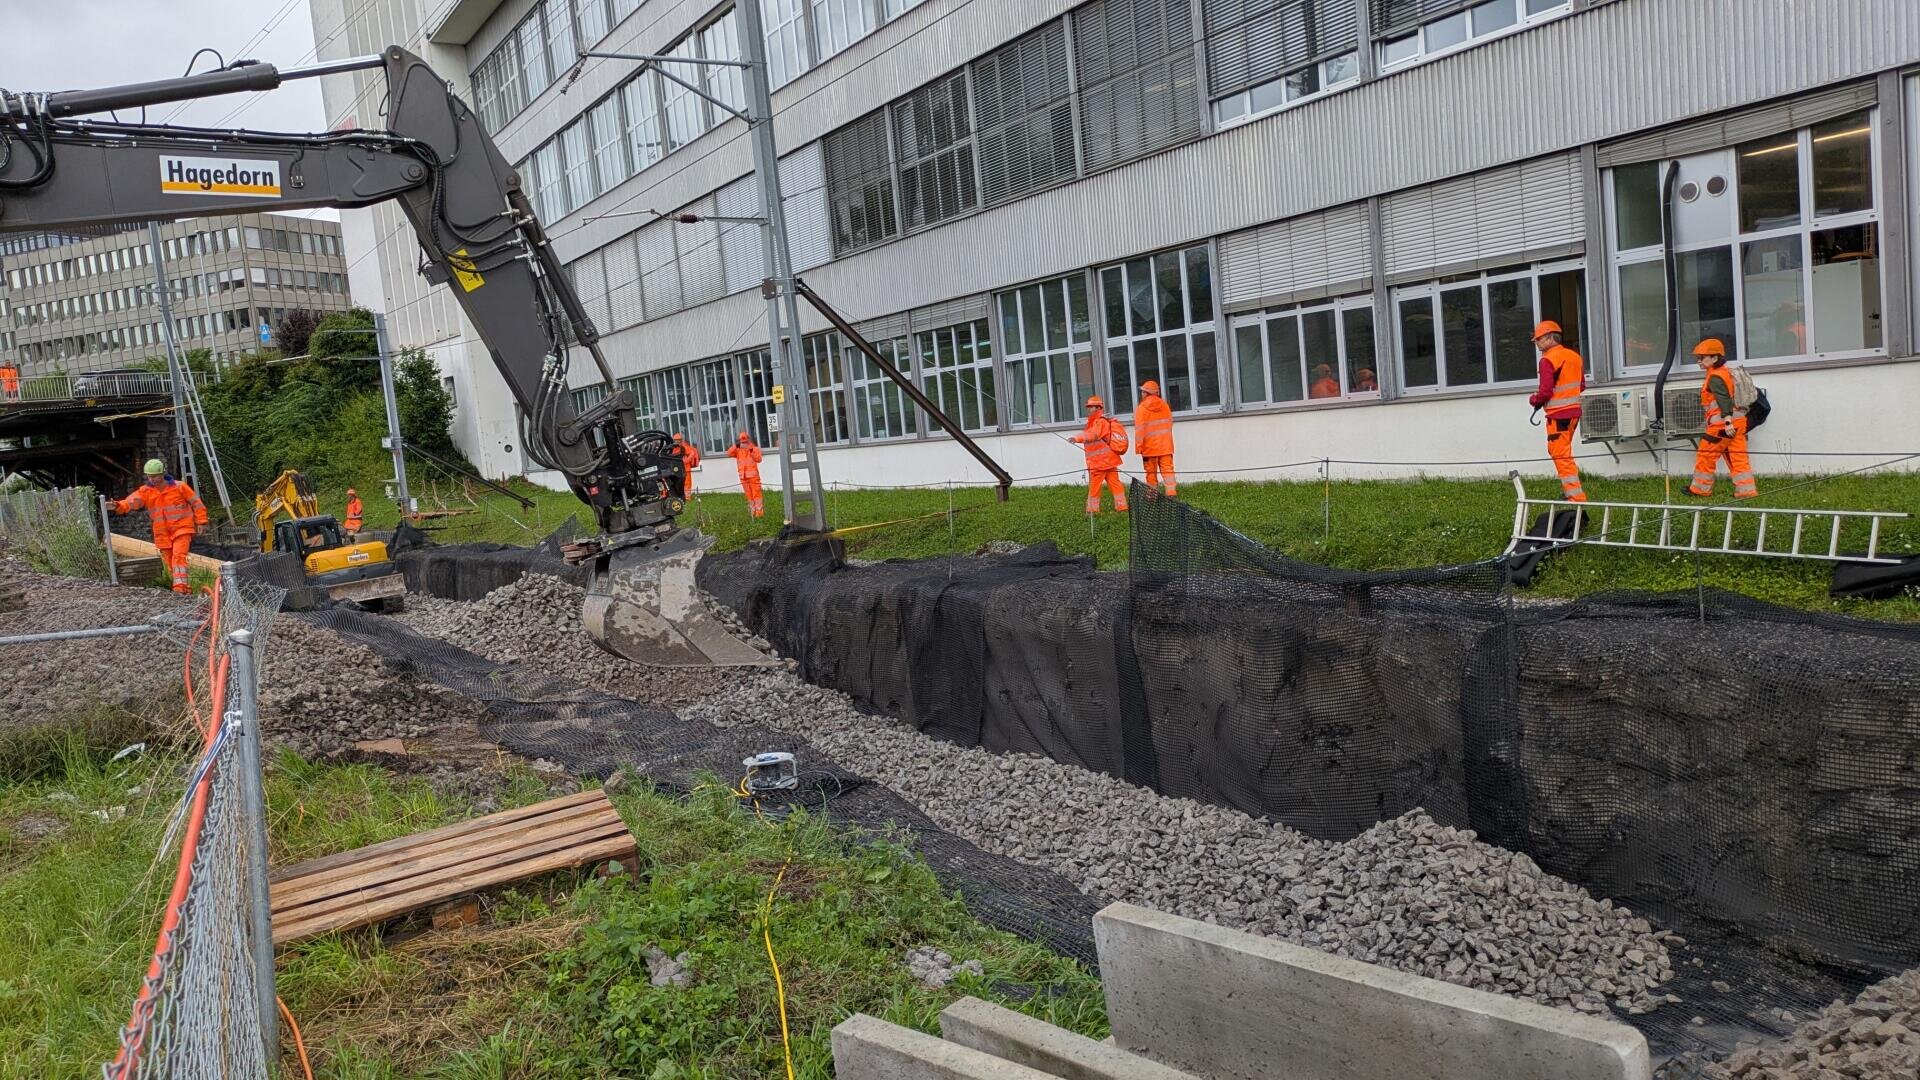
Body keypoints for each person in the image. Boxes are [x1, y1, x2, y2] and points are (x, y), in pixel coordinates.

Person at [111, 458, 208, 594]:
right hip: (162, 533)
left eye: (155, 476)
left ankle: (179, 589)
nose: (153, 479)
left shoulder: (179, 487)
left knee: (178, 556)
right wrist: (117, 505)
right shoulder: (146, 491)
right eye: (150, 476)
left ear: (162, 474)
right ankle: (185, 589)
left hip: (182, 528)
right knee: (169, 562)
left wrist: (201, 522)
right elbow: (131, 502)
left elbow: (197, 504)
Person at [1688, 338, 1758, 499]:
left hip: (1722, 425)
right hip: (1739, 422)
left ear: (1715, 358)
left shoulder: (1715, 377)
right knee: (1738, 457)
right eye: (1698, 358)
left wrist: (1727, 422)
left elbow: (1724, 400)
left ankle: (1700, 490)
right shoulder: (1726, 372)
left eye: (1702, 357)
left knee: (1705, 455)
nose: (1698, 361)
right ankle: (1746, 491)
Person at [1527, 320, 1587, 503]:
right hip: (1574, 414)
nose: (1536, 343)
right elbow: (1581, 385)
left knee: (1561, 456)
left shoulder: (1547, 360)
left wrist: (1534, 399)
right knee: (1563, 454)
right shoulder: (1574, 356)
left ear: (1548, 338)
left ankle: (1576, 498)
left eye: (1538, 339)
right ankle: (1570, 493)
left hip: (1558, 416)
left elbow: (1545, 392)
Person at [1069, 395, 1129, 514]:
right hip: (1109, 460)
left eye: (1091, 407)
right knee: (1115, 484)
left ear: (1098, 407)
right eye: (1088, 407)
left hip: (1100, 462)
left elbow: (1093, 435)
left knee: (1095, 487)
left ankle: (1092, 510)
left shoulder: (1099, 422)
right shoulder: (1097, 422)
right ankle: (1122, 507)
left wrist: (1077, 438)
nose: (1089, 409)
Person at [1133, 379, 1177, 497]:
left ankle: (1152, 496)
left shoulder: (1141, 408)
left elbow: (1139, 430)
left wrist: (1138, 447)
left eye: (1143, 392)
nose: (1141, 394)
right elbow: (1169, 424)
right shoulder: (1165, 405)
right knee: (1168, 470)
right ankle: (1171, 493)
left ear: (1147, 393)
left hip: (1149, 448)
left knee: (1151, 472)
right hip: (1165, 446)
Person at [726, 431, 766, 518]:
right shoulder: (737, 449)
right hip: (743, 476)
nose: (743, 443)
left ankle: (759, 513)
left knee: (757, 495)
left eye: (745, 441)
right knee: (749, 495)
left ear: (748, 439)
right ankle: (752, 512)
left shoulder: (754, 448)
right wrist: (736, 446)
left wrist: (751, 450)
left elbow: (759, 459)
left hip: (753, 476)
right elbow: (728, 453)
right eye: (741, 441)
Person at [669, 432, 701, 496]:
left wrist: (686, 461)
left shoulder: (685, 447)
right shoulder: (673, 448)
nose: (677, 442)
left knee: (687, 483)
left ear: (681, 440)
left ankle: (687, 497)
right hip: (678, 469)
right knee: (680, 483)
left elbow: (692, 453)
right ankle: (681, 495)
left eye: (678, 440)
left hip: (686, 469)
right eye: (676, 440)